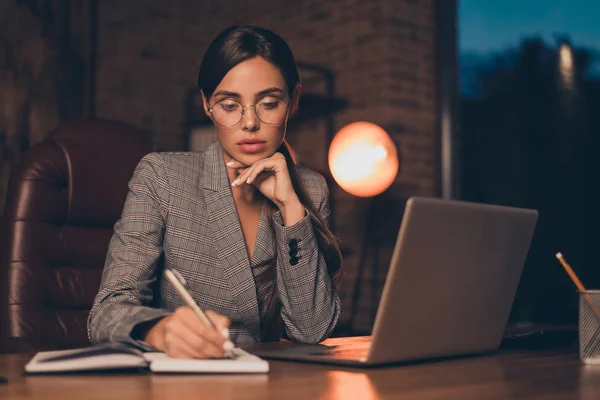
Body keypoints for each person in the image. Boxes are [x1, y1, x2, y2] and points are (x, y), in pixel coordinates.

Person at [87, 25, 343, 359]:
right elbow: (106, 312)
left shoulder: (310, 188)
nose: (249, 123)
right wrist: (158, 330)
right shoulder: (162, 177)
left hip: (271, 384)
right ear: (207, 104)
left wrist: (290, 209)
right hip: (181, 384)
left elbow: (312, 331)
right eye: (229, 105)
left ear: (293, 101)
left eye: (268, 103)